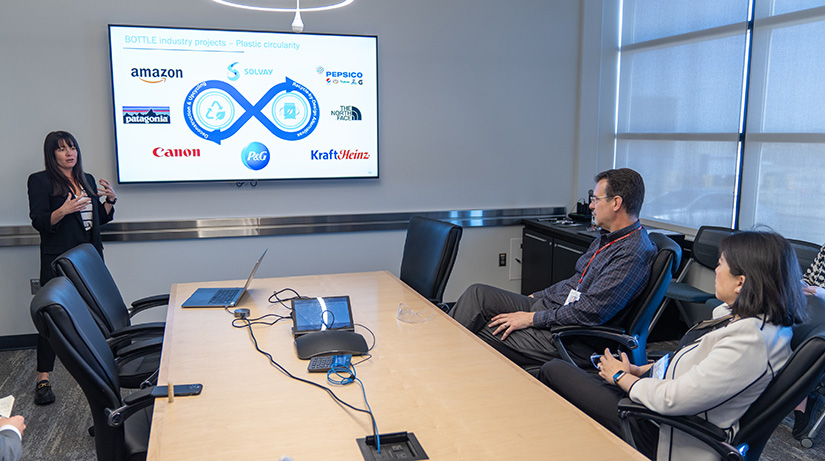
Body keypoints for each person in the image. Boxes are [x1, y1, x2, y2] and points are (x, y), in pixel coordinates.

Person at [540, 231, 807, 461]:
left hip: (665, 432)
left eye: (721, 264)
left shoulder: (750, 342)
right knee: (567, 376)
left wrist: (621, 377)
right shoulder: (747, 322)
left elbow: (674, 399)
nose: (715, 270)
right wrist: (639, 369)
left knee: (554, 371)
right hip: (655, 408)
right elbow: (695, 367)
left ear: (741, 282)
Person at [449, 168, 656, 367]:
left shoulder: (631, 252)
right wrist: (536, 297)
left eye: (596, 199)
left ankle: (437, 369)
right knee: (478, 294)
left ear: (616, 203)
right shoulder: (607, 238)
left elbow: (590, 312)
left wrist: (532, 319)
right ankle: (436, 353)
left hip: (569, 337)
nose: (591, 206)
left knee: (480, 331)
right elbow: (574, 283)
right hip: (552, 311)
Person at [27, 131, 116, 405]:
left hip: (88, 259)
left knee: (97, 315)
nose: (69, 153)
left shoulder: (86, 179)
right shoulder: (40, 181)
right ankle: (43, 378)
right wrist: (63, 210)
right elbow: (39, 221)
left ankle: (107, 371)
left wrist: (109, 202)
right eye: (62, 149)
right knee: (52, 317)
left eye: (72, 147)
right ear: (51, 154)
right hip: (58, 258)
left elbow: (97, 220)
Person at [792, 241, 825, 438]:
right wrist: (802, 286)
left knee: (806, 335)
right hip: (815, 306)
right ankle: (803, 395)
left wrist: (820, 293)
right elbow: (809, 277)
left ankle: (801, 400)